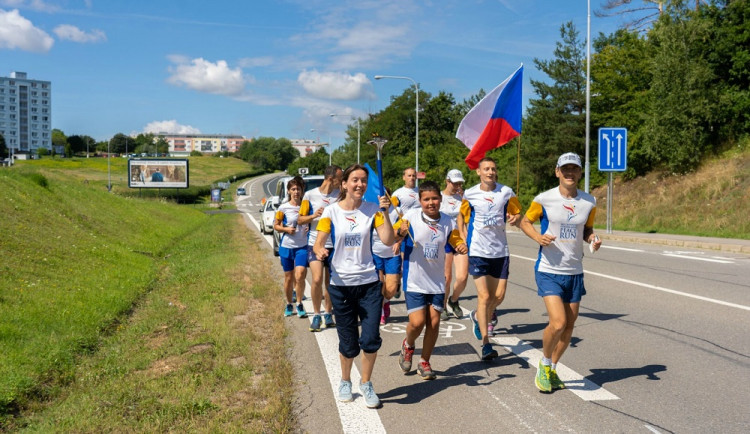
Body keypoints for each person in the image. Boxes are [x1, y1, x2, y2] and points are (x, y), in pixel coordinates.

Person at [517, 152, 601, 393]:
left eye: (574, 169)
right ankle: (543, 364)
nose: (570, 173)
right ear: (557, 172)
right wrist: (538, 237)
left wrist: (593, 238)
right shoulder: (544, 199)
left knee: (569, 326)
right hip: (549, 269)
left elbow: (587, 229)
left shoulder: (589, 201)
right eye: (565, 169)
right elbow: (525, 222)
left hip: (574, 271)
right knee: (558, 322)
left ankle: (552, 368)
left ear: (580, 173)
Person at [314, 164, 395, 408]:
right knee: (348, 342)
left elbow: (389, 240)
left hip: (369, 283)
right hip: (341, 285)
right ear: (345, 184)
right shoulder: (330, 212)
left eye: (363, 180)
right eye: (355, 180)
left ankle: (367, 383)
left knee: (370, 338)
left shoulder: (374, 210)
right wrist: (320, 250)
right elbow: (319, 242)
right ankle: (346, 380)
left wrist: (387, 212)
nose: (360, 184)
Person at [397, 180, 467, 380]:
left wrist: (461, 245)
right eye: (426, 199)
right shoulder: (410, 217)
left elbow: (455, 239)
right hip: (414, 280)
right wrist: (400, 232)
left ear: (440, 199)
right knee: (417, 323)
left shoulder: (447, 221)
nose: (431, 202)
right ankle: (408, 345)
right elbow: (393, 236)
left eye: (434, 198)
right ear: (420, 200)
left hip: (436, 282)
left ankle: (424, 361)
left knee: (434, 323)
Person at [457, 157, 522, 361]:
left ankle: (478, 316)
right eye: (486, 169)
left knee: (499, 296)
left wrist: (515, 218)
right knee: (484, 297)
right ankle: (486, 343)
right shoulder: (470, 194)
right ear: (479, 172)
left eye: (493, 169)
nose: (490, 172)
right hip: (477, 251)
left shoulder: (506, 192)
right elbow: (461, 215)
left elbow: (518, 214)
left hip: (500, 252)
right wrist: (462, 236)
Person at [299, 165, 342, 332]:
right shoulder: (309, 195)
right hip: (315, 243)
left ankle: (328, 314)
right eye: (340, 178)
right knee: (316, 279)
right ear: (331, 178)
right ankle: (316, 315)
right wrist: (313, 215)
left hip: (335, 245)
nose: (342, 181)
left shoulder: (340, 195)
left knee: (330, 282)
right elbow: (300, 220)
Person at [274, 176, 309, 319]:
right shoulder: (283, 207)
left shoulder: (307, 206)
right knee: (288, 278)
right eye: (293, 189)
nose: (296, 192)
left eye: (298, 189)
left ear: (302, 191)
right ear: (289, 191)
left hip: (302, 246)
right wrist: (286, 230)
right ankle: (289, 303)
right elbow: (275, 226)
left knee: (300, 275)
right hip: (287, 246)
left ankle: (300, 303)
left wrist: (309, 229)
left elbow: (312, 221)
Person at [440, 169, 468, 320]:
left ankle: (454, 300)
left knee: (463, 277)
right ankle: (443, 305)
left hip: (459, 240)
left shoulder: (463, 199)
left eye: (459, 183)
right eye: (454, 182)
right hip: (444, 240)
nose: (457, 185)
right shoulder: (439, 197)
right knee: (446, 277)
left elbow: (467, 220)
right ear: (447, 181)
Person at [371, 186, 401, 325]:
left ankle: (386, 301)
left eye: (386, 196)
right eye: (381, 197)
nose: (383, 199)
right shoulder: (371, 212)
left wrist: (399, 241)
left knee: (391, 288)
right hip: (375, 253)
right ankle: (380, 311)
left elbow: (403, 231)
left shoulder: (397, 212)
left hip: (392, 254)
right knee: (378, 284)